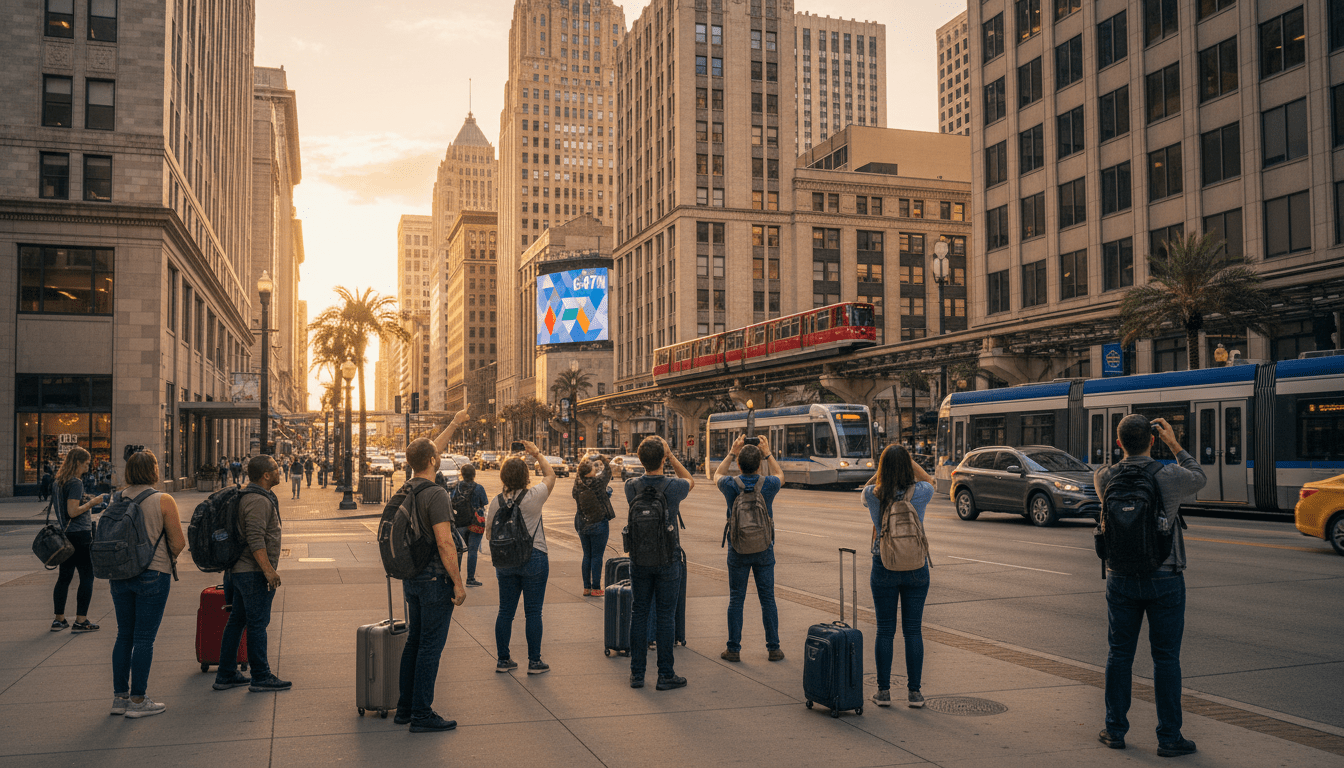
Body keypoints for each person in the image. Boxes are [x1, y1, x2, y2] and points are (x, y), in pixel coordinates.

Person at [1095, 415, 1206, 758]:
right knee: (1166, 659)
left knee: (1119, 654)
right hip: (1165, 576)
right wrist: (1176, 445)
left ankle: (1115, 730)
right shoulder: (1169, 475)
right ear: (1153, 441)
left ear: (1119, 443)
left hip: (1120, 577)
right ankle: (1169, 737)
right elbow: (1199, 478)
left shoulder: (1105, 476)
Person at [393, 410, 471, 733]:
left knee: (415, 642)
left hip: (412, 579)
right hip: (435, 580)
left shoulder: (407, 488)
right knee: (429, 647)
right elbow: (445, 542)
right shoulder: (436, 494)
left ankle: (405, 708)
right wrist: (458, 582)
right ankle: (422, 714)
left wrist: (453, 423)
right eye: (436, 456)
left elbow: (427, 450)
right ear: (433, 461)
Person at [108, 450, 186, 718]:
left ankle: (120, 699)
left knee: (123, 635)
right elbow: (178, 543)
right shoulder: (163, 499)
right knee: (144, 638)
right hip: (153, 573)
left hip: (120, 574)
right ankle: (139, 701)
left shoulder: (116, 498)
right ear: (154, 470)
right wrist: (164, 557)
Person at [862, 444, 936, 709]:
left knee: (885, 631)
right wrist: (909, 460)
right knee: (913, 631)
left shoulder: (873, 494)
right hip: (916, 567)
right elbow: (929, 479)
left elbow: (867, 486)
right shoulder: (922, 492)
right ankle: (914, 693)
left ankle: (883, 692)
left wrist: (882, 469)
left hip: (884, 566)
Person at [213, 455, 291, 693]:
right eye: (276, 469)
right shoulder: (257, 500)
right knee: (257, 624)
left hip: (240, 571)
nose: (279, 472)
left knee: (237, 621)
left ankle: (226, 674)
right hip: (252, 572)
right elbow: (255, 538)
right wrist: (268, 570)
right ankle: (260, 675)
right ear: (266, 475)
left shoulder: (249, 496)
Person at [625, 436, 694, 691]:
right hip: (668, 558)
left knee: (639, 613)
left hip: (639, 559)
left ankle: (637, 674)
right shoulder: (674, 487)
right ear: (663, 459)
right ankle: (665, 674)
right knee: (666, 617)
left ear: (640, 459)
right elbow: (691, 480)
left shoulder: (630, 486)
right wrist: (672, 456)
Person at [483, 440, 556, 675]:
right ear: (526, 476)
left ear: (503, 476)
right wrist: (536, 453)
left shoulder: (496, 502)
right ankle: (534, 661)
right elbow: (551, 475)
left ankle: (503, 660)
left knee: (505, 611)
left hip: (505, 561)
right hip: (534, 557)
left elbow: (488, 534)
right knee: (533, 612)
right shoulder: (534, 496)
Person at [712, 435, 784, 662]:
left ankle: (733, 649)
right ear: (760, 464)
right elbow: (781, 475)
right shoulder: (769, 484)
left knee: (736, 598)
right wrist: (768, 453)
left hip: (737, 548)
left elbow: (717, 475)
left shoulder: (731, 484)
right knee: (767, 598)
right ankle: (773, 648)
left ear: (739, 465)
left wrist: (732, 452)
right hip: (764, 548)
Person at [50, 447, 108, 634]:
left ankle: (59, 620)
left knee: (64, 577)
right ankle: (80, 621)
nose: (87, 467)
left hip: (65, 536)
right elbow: (73, 511)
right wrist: (93, 502)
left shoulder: (59, 482)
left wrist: (85, 500)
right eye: (86, 463)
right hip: (80, 536)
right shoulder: (75, 482)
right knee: (87, 576)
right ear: (77, 463)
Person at [573, 454, 615, 597]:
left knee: (587, 555)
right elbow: (608, 471)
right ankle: (596, 588)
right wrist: (602, 458)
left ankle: (586, 588)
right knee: (597, 556)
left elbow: (578, 479)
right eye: (593, 467)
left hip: (582, 523)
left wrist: (583, 462)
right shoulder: (598, 482)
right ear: (590, 471)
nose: (595, 468)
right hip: (598, 524)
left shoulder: (577, 485)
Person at [450, 463, 488, 587]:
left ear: (462, 474)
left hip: (460, 521)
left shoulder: (457, 486)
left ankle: (456, 579)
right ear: (474, 474)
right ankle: (470, 579)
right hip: (476, 523)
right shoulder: (479, 488)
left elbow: (452, 501)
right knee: (473, 551)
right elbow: (484, 502)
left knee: (458, 550)